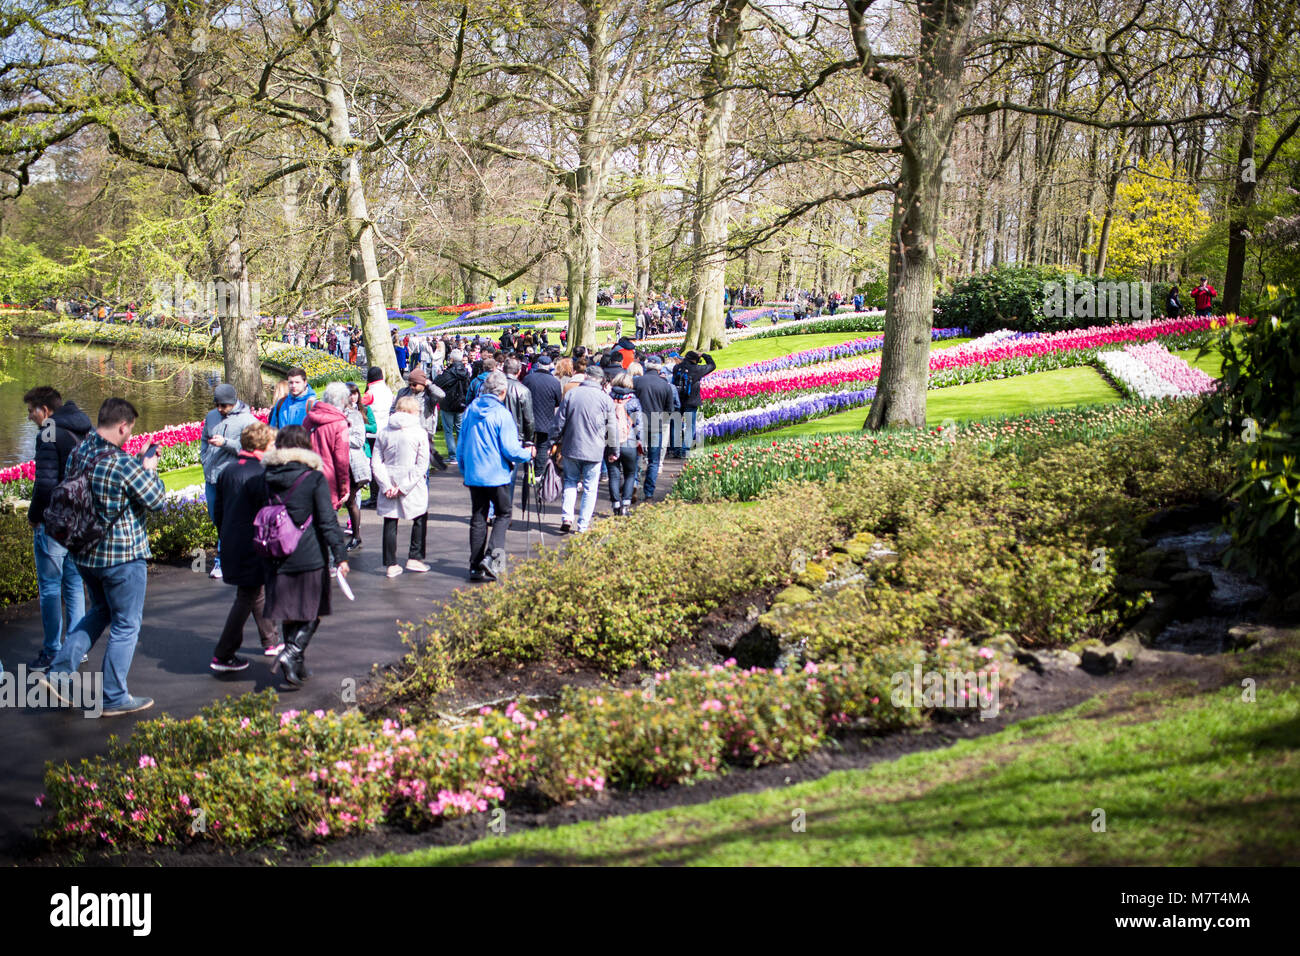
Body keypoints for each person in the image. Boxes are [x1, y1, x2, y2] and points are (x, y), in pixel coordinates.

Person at [36, 398, 165, 717]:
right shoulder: (121, 464)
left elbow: (96, 488)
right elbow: (156, 499)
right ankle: (113, 696)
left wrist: (136, 462)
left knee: (99, 612)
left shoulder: (81, 451)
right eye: (129, 430)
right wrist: (148, 469)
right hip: (121, 556)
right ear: (123, 426)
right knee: (126, 624)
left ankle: (58, 672)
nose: (129, 435)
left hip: (85, 552)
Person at [261, 425, 350, 687]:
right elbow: (326, 521)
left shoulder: (265, 476)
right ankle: (291, 654)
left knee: (291, 611)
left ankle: (296, 667)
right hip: (308, 553)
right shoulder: (313, 478)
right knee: (314, 609)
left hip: (275, 552)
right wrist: (340, 554)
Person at [23, 386, 92, 672]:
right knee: (74, 584)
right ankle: (76, 647)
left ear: (45, 410)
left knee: (50, 587)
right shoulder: (81, 429)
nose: (29, 417)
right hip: (80, 520)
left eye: (31, 411)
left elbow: (46, 484)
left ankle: (52, 651)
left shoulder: (49, 433)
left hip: (55, 522)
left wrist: (34, 515)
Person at [210, 421, 281, 672]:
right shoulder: (260, 473)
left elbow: (218, 510)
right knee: (247, 595)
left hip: (232, 540)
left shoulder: (229, 470)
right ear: (262, 445)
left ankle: (270, 640)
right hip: (252, 542)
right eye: (272, 444)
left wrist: (225, 534)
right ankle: (223, 653)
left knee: (254, 590)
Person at [457, 371, 535, 580]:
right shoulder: (502, 414)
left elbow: (461, 444)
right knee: (503, 514)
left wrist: (464, 468)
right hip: (496, 474)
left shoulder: (471, 410)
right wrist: (527, 454)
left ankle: (474, 566)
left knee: (478, 517)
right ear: (502, 392)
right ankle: (492, 556)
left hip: (475, 473)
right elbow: (510, 449)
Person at [201, 383, 257, 580]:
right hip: (211, 477)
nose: (219, 409)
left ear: (233, 403)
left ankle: (222, 560)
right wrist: (204, 459)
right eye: (217, 404)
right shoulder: (211, 416)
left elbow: (249, 448)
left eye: (223, 405)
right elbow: (204, 439)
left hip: (231, 478)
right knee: (217, 520)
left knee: (228, 521)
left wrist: (225, 443)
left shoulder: (247, 421)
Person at [373, 395, 431, 577]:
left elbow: (376, 462)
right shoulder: (419, 432)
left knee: (390, 520)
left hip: (389, 478)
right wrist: (404, 486)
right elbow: (422, 464)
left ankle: (391, 564)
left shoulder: (384, 431)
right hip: (412, 482)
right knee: (420, 516)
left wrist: (386, 485)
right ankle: (415, 557)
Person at [554, 367, 617, 534]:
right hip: (595, 449)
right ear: (601, 380)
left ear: (586, 377)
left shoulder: (572, 394)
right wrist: (613, 449)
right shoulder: (606, 399)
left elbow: (559, 422)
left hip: (571, 445)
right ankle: (583, 524)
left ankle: (567, 517)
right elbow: (612, 428)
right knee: (590, 488)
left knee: (570, 481)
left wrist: (552, 441)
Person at [632, 355, 676, 501]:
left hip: (638, 424)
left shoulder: (637, 382)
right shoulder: (665, 385)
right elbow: (669, 409)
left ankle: (634, 483)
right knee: (654, 460)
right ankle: (649, 491)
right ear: (659, 367)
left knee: (637, 455)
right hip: (656, 424)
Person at [390, 367, 447, 470]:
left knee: (422, 467)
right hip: (404, 434)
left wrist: (429, 384)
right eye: (410, 384)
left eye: (415, 384)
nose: (412, 387)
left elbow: (441, 395)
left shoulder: (429, 396)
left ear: (423, 384)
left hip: (423, 434)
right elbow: (393, 409)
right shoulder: (403, 392)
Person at [606, 374, 643, 516]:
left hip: (611, 441)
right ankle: (625, 505)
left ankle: (615, 504)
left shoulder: (608, 398)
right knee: (630, 473)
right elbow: (639, 423)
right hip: (629, 440)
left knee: (614, 474)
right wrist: (640, 440)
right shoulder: (633, 401)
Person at [342, 382, 373, 552]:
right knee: (342, 501)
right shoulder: (336, 413)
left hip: (352, 463)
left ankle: (356, 536)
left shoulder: (355, 415)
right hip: (338, 462)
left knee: (350, 499)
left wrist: (341, 436)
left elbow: (359, 440)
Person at [672, 350, 715, 457]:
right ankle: (685, 449)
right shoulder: (696, 369)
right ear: (695, 359)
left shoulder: (677, 368)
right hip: (691, 400)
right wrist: (704, 355)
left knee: (676, 424)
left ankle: (675, 450)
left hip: (678, 400)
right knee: (690, 426)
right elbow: (712, 365)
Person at [523, 353, 563, 468]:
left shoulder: (528, 379)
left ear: (538, 365)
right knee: (542, 446)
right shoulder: (554, 382)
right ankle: (539, 472)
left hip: (529, 417)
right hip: (546, 418)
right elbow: (558, 401)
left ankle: (527, 470)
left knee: (528, 444)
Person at [433, 349, 472, 462]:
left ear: (451, 359)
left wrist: (440, 375)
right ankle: (461, 454)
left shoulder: (449, 373)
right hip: (460, 403)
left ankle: (453, 455)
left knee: (449, 430)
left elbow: (437, 383)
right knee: (459, 429)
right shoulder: (465, 372)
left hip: (448, 404)